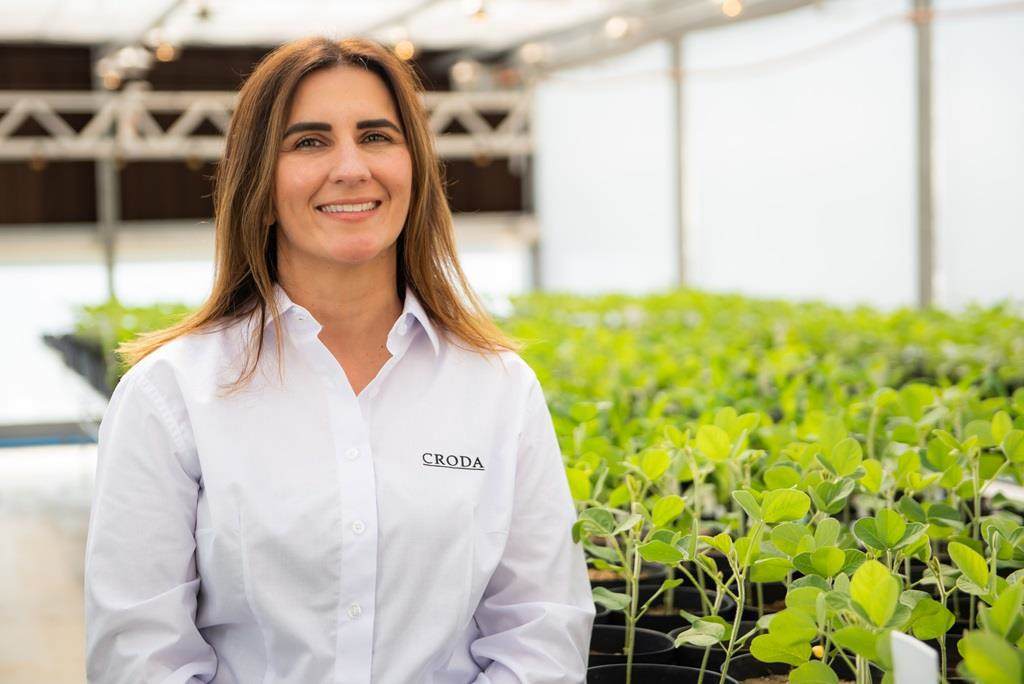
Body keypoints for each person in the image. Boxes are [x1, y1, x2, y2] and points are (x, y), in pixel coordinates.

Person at [83, 36, 594, 683]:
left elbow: (540, 629)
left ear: (414, 169)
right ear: (260, 185)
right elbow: (139, 658)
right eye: (310, 141)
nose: (351, 167)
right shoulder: (171, 395)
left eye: (377, 136)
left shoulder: (497, 389)